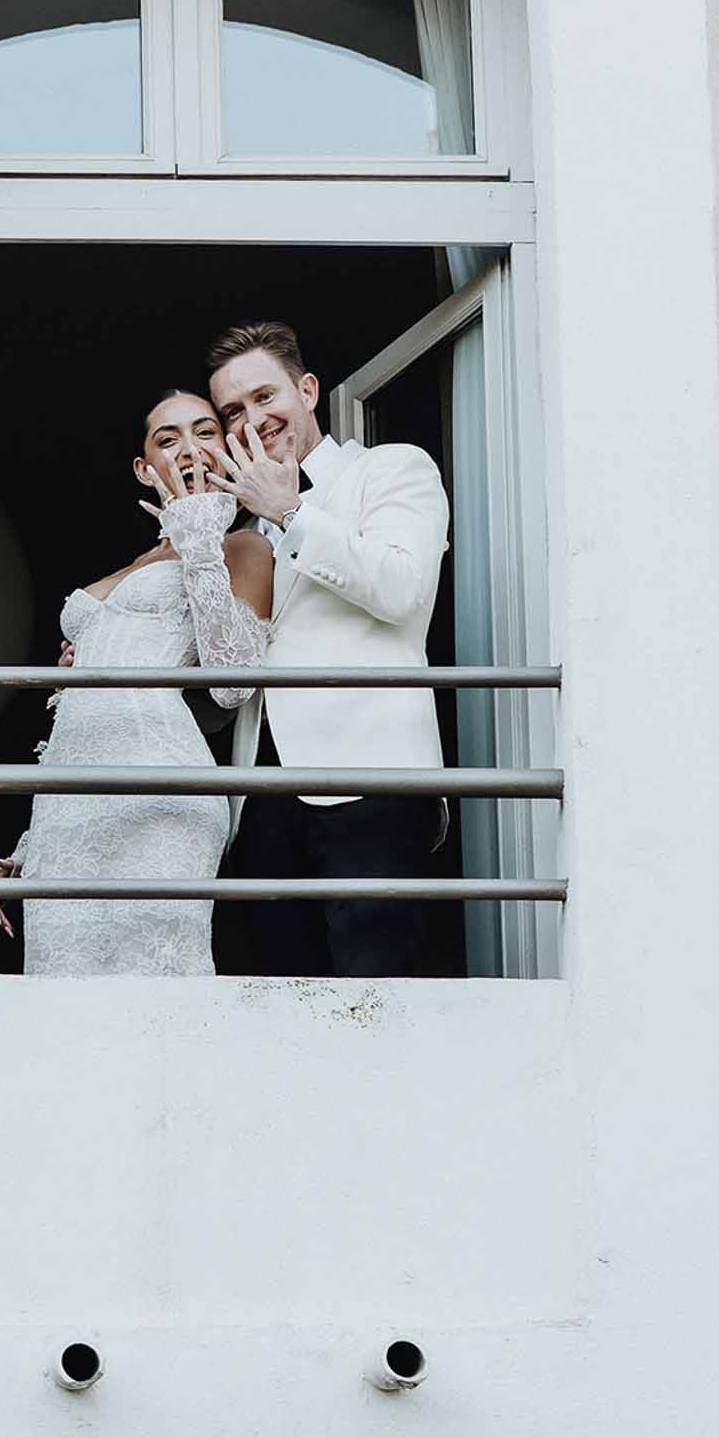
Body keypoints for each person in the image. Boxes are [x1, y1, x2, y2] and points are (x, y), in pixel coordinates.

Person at [0, 389, 272, 975]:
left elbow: (233, 681)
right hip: (72, 813)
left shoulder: (244, 547)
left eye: (204, 432)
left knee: (156, 996)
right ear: (145, 470)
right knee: (62, 997)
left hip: (162, 790)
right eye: (168, 440)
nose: (189, 449)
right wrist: (28, 846)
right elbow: (79, 722)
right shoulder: (133, 563)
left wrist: (198, 540)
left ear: (228, 448)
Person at [204, 321, 449, 979]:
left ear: (307, 390)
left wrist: (292, 512)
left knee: (374, 1002)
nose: (251, 420)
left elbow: (401, 588)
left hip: (369, 783)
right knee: (273, 1012)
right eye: (232, 412)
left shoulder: (392, 468)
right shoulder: (242, 532)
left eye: (264, 396)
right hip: (260, 798)